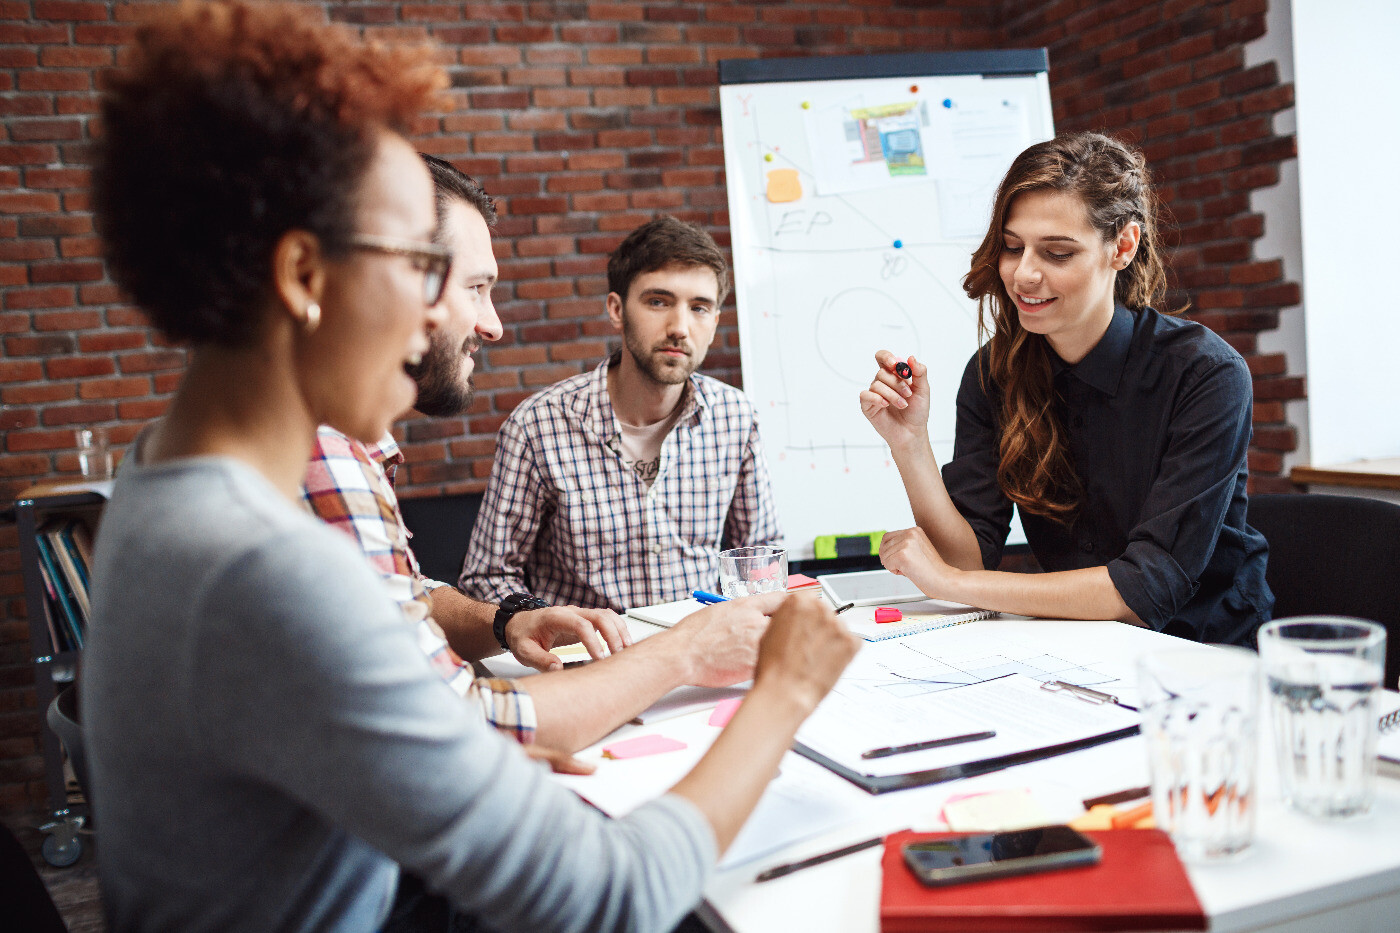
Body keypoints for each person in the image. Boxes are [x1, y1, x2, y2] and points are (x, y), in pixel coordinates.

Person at [80, 5, 858, 933]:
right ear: (302, 275)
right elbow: (611, 897)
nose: (453, 320)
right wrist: (783, 695)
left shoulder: (161, 478)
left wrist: (466, 765)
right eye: (421, 266)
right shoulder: (266, 567)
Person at [303, 155, 789, 756]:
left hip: (680, 694)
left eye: (701, 307)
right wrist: (680, 652)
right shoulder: (331, 459)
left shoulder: (736, 417)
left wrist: (509, 622)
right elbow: (452, 733)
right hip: (592, 690)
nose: (493, 326)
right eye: (474, 288)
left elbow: (403, 598)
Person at [861, 131, 1271, 646]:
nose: (1023, 274)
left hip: (1207, 652)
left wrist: (954, 584)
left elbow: (1145, 590)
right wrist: (909, 444)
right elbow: (968, 558)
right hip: (1077, 647)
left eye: (1056, 253)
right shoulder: (993, 373)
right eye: (1012, 247)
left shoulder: (1205, 374)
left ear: (1123, 246)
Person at [459, 216, 781, 611]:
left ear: (714, 323)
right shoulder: (537, 427)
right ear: (616, 309)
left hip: (704, 656)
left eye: (699, 308)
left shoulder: (736, 418)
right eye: (658, 302)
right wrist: (544, 625)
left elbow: (760, 564)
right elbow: (486, 577)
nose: (680, 327)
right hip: (591, 660)